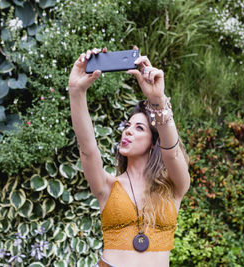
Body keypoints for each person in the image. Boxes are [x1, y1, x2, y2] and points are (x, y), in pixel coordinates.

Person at [68, 46, 190, 267]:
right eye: (127, 126)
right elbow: (87, 149)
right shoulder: (107, 186)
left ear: (154, 143)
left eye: (139, 128)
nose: (128, 131)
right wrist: (76, 91)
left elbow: (171, 152)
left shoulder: (175, 185)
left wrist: (158, 100)